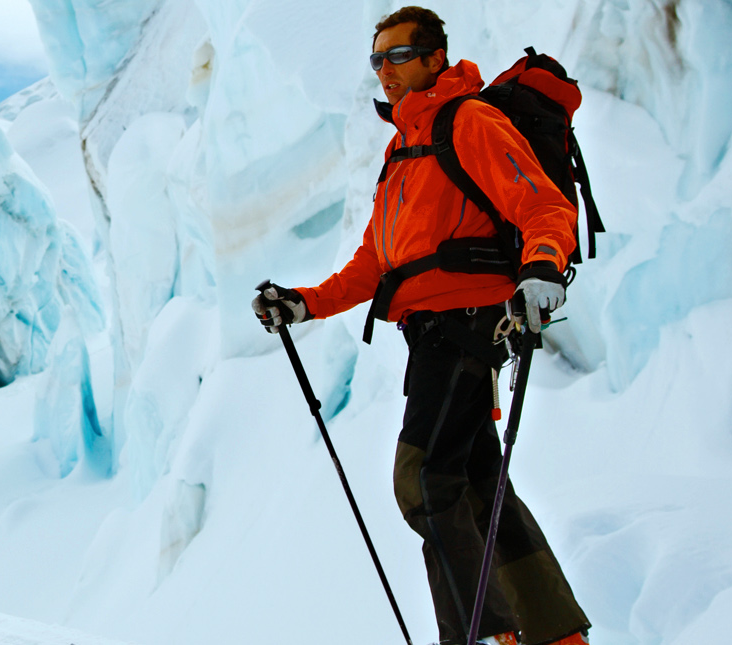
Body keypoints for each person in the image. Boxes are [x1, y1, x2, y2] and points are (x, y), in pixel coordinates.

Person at [251, 6, 590, 645]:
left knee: (426, 478)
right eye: (377, 60)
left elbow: (541, 203)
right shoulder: (403, 150)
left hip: (468, 326)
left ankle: (484, 634)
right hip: (430, 333)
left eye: (399, 56)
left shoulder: (470, 122)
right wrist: (306, 303)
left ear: (436, 57)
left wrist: (542, 267)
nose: (386, 72)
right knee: (476, 485)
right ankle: (553, 635)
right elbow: (375, 260)